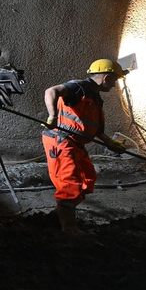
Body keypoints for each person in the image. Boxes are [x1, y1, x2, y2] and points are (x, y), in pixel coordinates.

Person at [41, 59, 129, 234]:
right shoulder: (78, 87)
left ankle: (58, 215)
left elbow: (94, 128)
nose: (114, 85)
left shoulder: (95, 98)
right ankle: (70, 229)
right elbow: (51, 91)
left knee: (87, 178)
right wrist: (52, 116)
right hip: (62, 140)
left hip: (76, 143)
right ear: (106, 78)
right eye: (114, 80)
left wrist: (109, 142)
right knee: (69, 184)